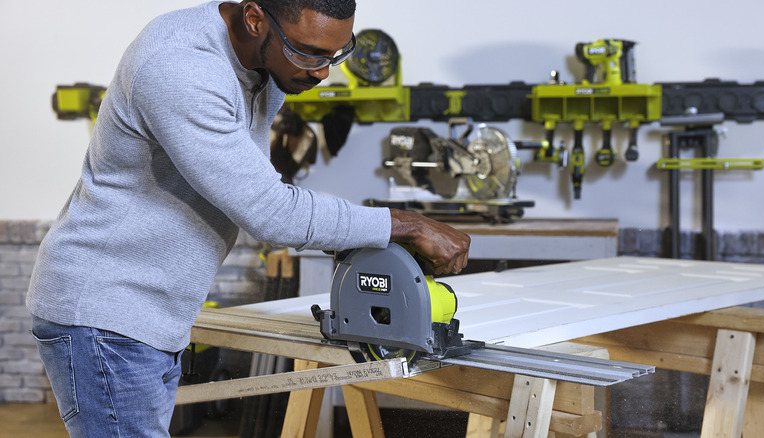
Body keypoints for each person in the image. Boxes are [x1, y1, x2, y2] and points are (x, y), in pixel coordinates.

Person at [27, 0, 470, 436]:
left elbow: (256, 188)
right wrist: (405, 224)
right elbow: (270, 210)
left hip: (148, 316)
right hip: (105, 314)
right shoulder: (180, 66)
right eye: (308, 52)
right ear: (256, 19)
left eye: (335, 54)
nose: (322, 72)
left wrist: (361, 236)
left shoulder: (266, 68)